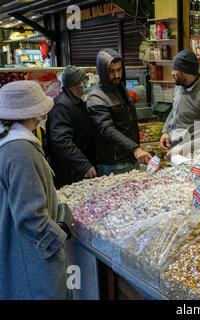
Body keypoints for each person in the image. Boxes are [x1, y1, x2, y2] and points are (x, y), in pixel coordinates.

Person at [0, 81, 70, 299]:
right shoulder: (20, 150)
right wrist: (60, 235)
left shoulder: (9, 141)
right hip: (32, 259)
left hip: (18, 249)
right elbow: (31, 218)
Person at [87, 48, 150, 176]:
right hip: (114, 163)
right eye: (111, 71)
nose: (116, 75)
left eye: (119, 70)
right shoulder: (96, 97)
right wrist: (135, 149)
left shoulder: (120, 89)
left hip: (130, 157)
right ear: (102, 72)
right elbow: (107, 129)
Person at [46, 65, 97, 189]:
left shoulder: (73, 101)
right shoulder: (62, 106)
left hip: (76, 169)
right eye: (83, 81)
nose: (84, 85)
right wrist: (83, 164)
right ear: (78, 83)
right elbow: (61, 140)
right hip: (69, 172)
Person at [160, 49, 200, 152]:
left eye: (175, 69)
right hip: (172, 150)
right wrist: (166, 131)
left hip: (192, 156)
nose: (172, 72)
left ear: (185, 71)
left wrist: (185, 148)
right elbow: (174, 111)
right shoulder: (179, 86)